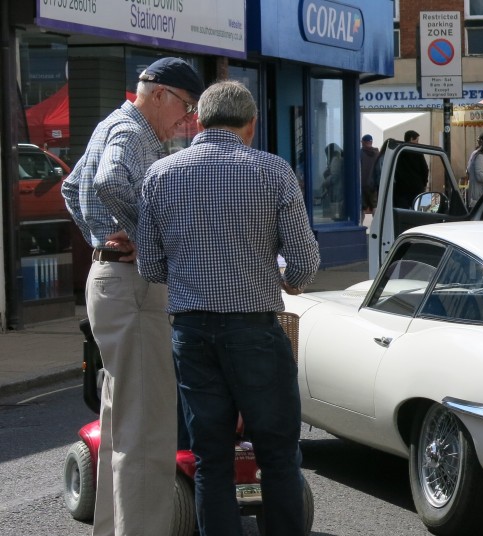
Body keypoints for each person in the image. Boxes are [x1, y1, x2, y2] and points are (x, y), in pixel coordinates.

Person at [136, 80, 320, 535]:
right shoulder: (273, 172)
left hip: (192, 333)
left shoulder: (160, 174)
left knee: (210, 459)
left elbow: (150, 265)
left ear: (198, 121)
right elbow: (305, 261)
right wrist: (287, 279)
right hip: (255, 330)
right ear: (251, 125)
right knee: (277, 455)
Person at [60, 56, 203, 536]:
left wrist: (101, 235)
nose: (185, 119)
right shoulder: (133, 131)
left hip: (114, 279)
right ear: (158, 93)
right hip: (133, 285)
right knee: (147, 432)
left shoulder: (113, 124)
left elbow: (70, 185)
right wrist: (145, 237)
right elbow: (102, 182)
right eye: (184, 107)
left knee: (123, 423)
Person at [393, 129, 429, 209]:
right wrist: (424, 184)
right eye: (416, 140)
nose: (418, 143)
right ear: (411, 139)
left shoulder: (399, 152)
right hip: (416, 188)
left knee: (403, 212)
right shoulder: (417, 152)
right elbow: (425, 169)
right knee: (417, 210)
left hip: (401, 189)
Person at [321, 143, 343, 219]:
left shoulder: (335, 160)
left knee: (336, 213)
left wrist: (324, 182)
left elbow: (335, 176)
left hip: (337, 190)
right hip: (337, 190)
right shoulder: (338, 159)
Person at [360, 134, 380, 213]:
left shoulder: (359, 153)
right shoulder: (377, 154)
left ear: (363, 142)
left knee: (361, 208)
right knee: (375, 206)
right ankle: (377, 224)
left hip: (362, 185)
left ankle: (359, 223)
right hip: (373, 185)